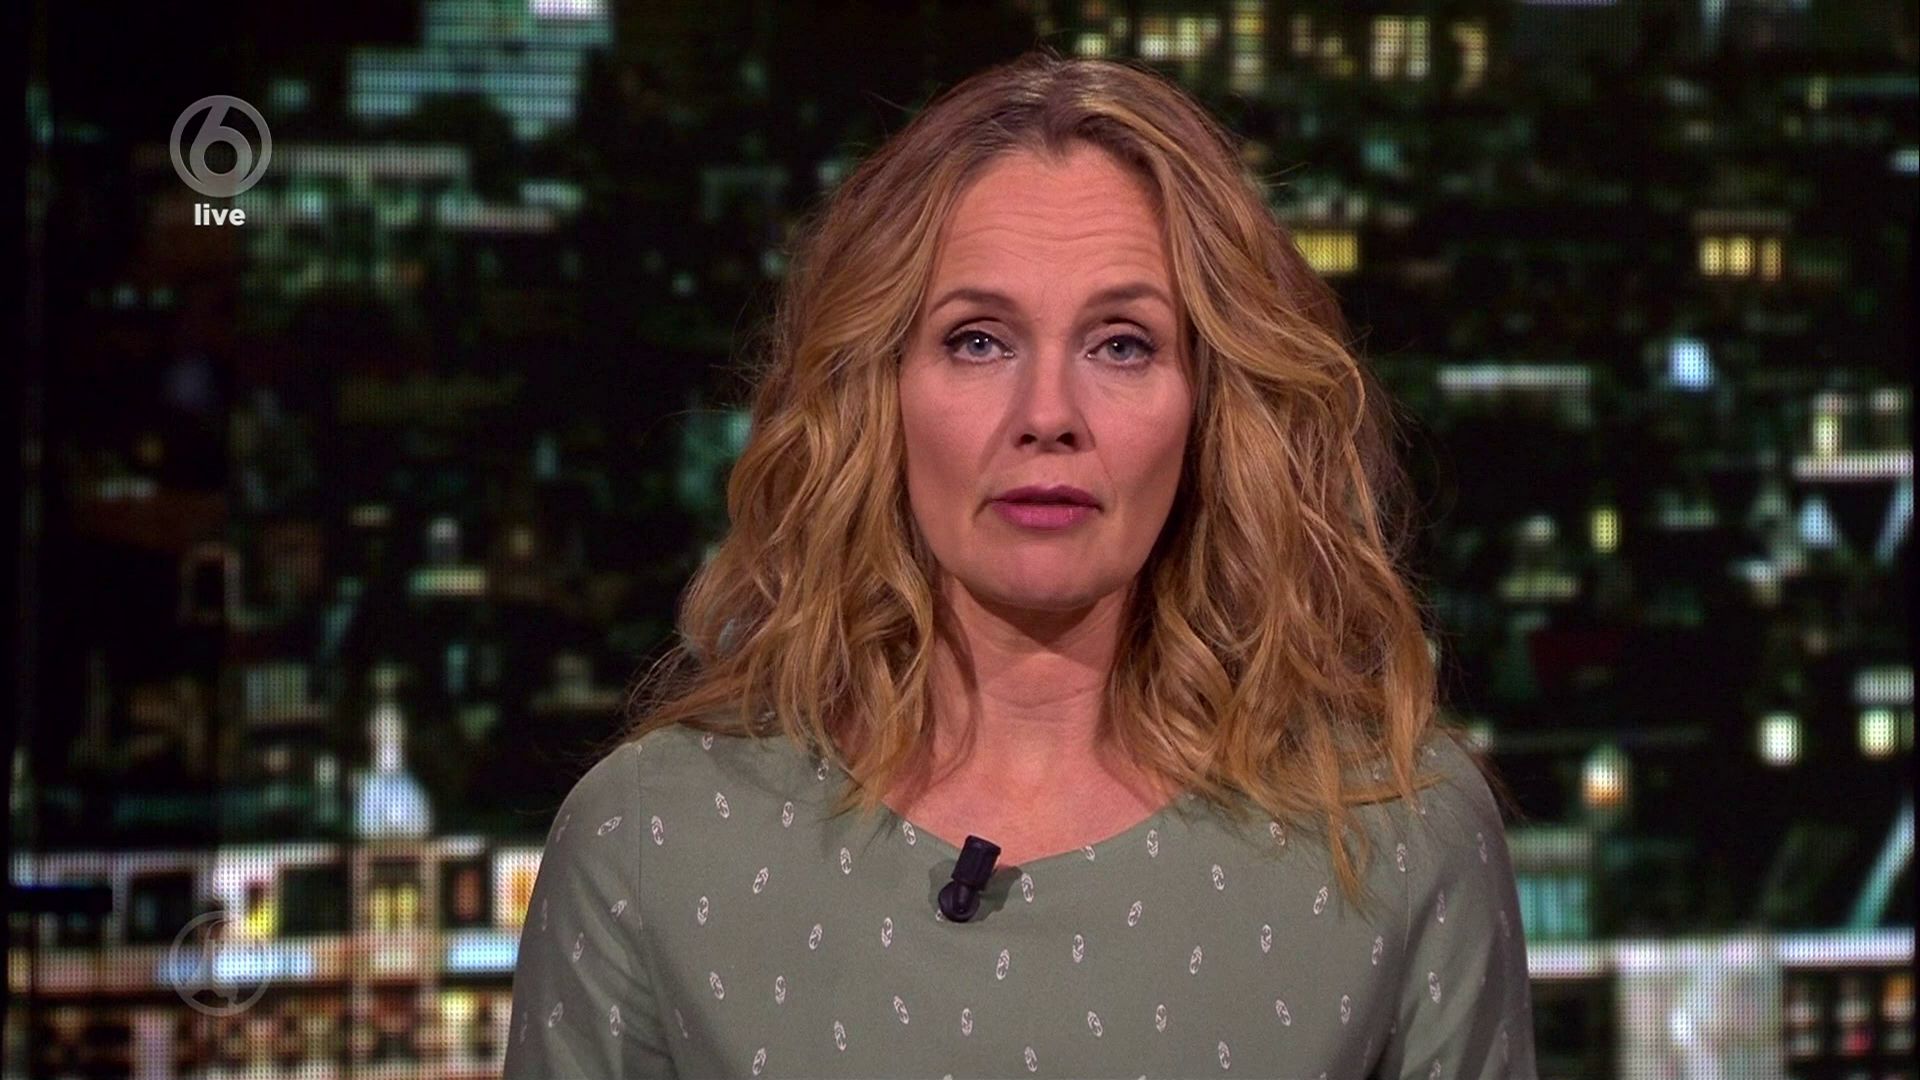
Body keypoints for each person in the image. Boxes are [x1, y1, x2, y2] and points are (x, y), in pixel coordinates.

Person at [503, 47, 1539, 1080]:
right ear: (878, 393)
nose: (1048, 415)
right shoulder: (651, 841)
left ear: (1213, 405)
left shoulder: (1400, 834)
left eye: (1122, 344)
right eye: (978, 341)